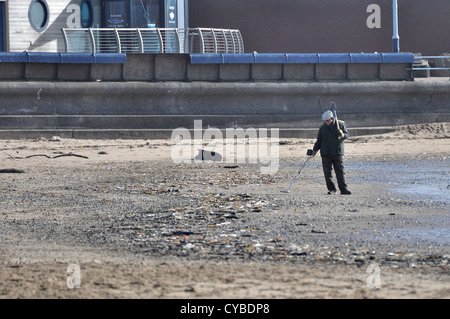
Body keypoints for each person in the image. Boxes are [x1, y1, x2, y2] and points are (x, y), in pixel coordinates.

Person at [311, 110, 352, 195]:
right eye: (325, 121)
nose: (326, 122)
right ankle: (332, 189)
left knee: (340, 172)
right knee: (327, 173)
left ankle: (343, 189)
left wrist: (342, 135)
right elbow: (319, 141)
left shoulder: (340, 124)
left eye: (327, 121)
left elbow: (346, 135)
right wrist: (314, 150)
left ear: (332, 119)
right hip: (326, 153)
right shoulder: (322, 128)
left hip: (337, 152)